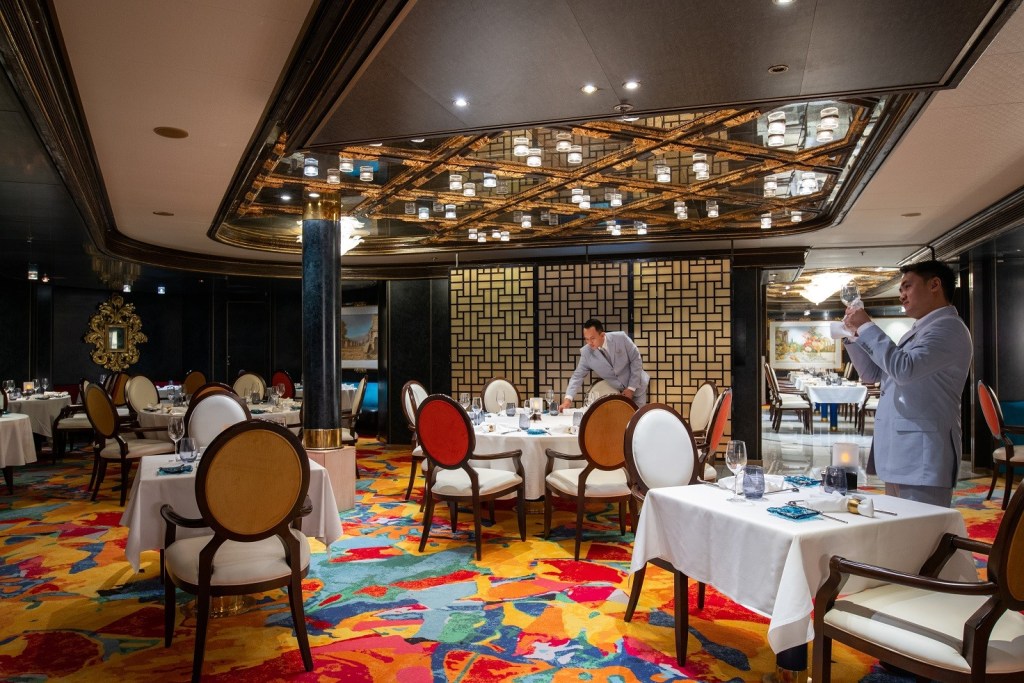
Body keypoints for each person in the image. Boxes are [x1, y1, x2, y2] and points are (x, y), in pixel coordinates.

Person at [842, 260, 972, 507]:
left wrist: (867, 326)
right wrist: (852, 336)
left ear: (935, 284)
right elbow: (873, 374)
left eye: (907, 287)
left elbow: (904, 369)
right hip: (903, 452)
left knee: (921, 537)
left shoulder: (948, 328)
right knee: (904, 536)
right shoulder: (920, 330)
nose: (901, 295)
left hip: (923, 455)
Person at [558, 318, 650, 410]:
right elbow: (577, 377)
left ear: (602, 335)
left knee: (636, 420)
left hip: (637, 385)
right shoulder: (586, 353)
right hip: (619, 392)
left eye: (592, 338)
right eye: (586, 339)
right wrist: (567, 400)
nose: (589, 342)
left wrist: (631, 388)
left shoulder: (621, 338)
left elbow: (636, 360)